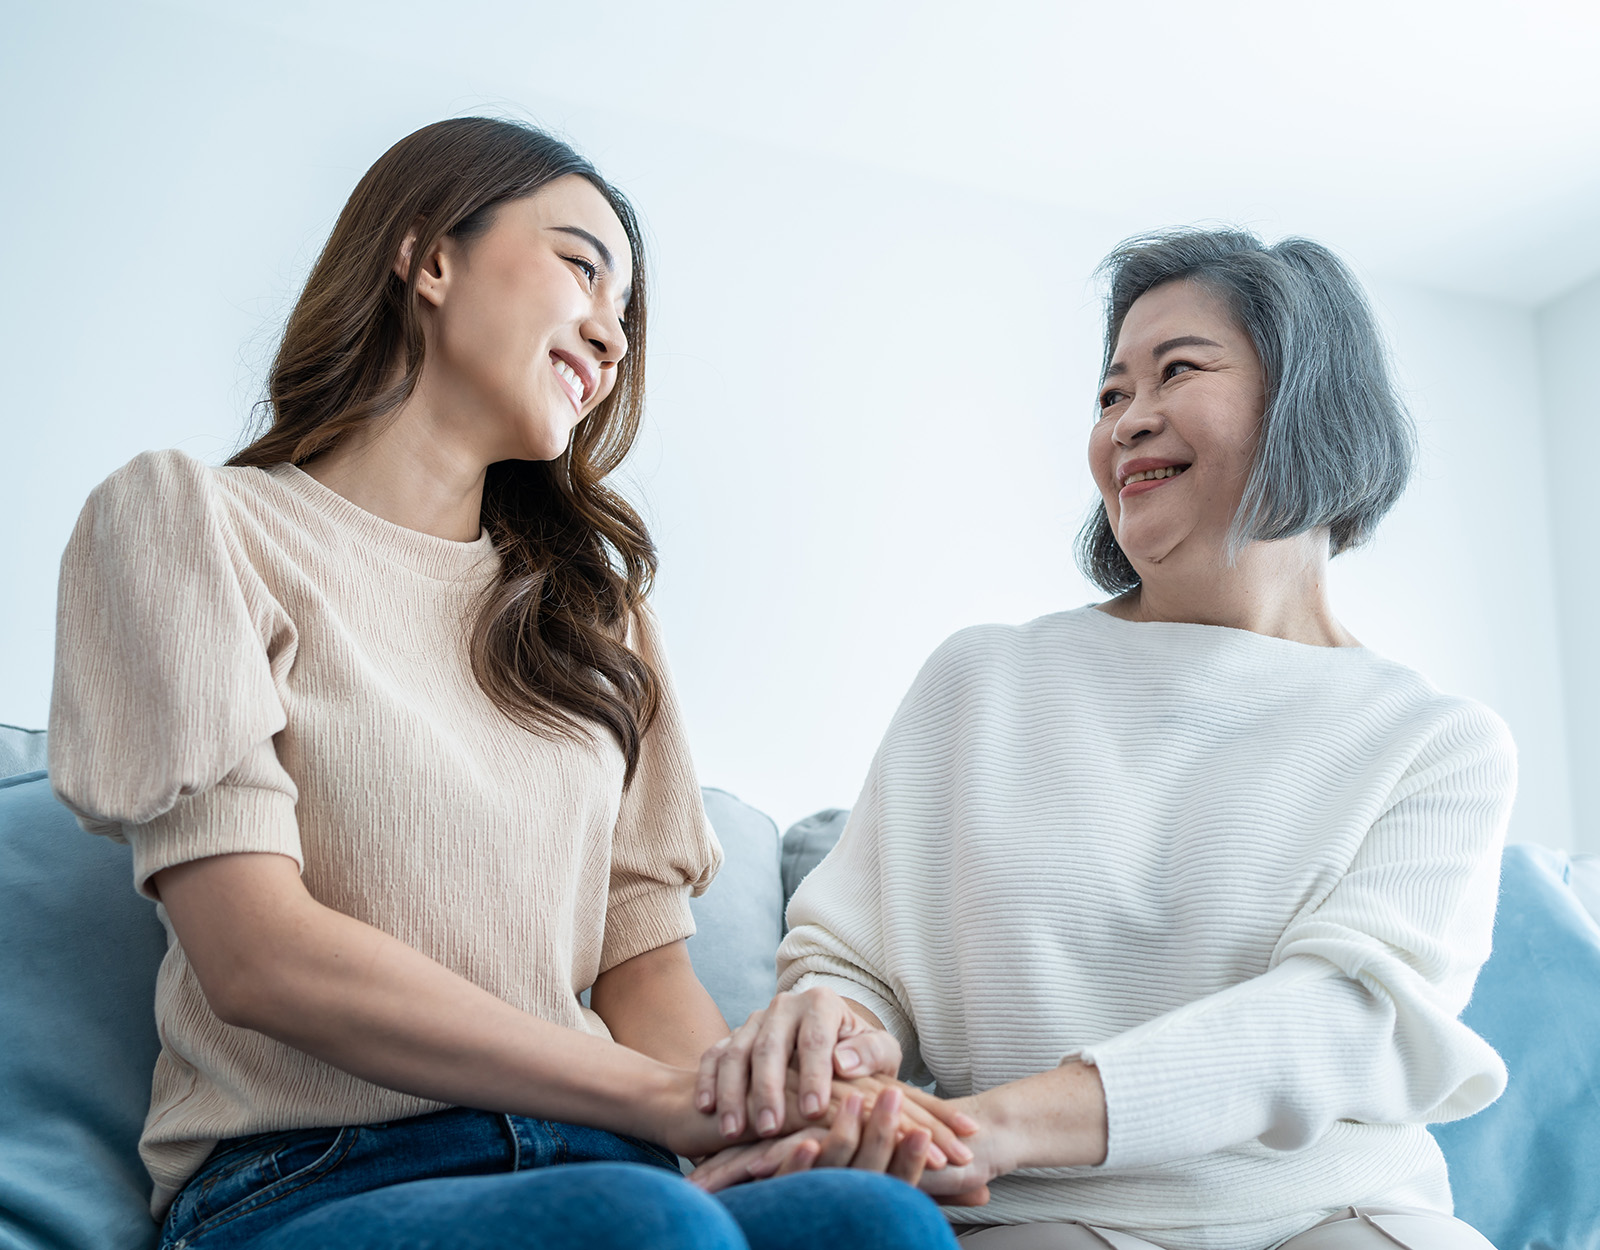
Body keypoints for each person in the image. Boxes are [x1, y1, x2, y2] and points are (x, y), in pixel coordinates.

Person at [48, 117, 967, 1250]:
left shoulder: (597, 616)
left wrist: (792, 1111)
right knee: (637, 1224)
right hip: (310, 1175)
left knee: (869, 1217)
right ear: (428, 256)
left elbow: (650, 992)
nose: (613, 336)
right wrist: (648, 1100)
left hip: (611, 1159)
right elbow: (256, 955)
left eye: (626, 313)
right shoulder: (189, 521)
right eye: (584, 266)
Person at [690, 229, 1514, 1250]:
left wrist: (995, 1122)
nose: (1128, 419)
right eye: (1109, 393)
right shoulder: (980, 680)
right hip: (1043, 1209)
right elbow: (853, 963)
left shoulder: (1436, 741)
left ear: (1309, 400)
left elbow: (1343, 1021)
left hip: (1341, 1206)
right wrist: (835, 1033)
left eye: (1177, 370)